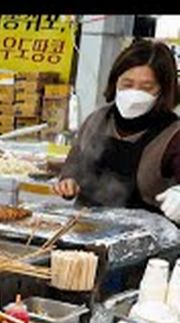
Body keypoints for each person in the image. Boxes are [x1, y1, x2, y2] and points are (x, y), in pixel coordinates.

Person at [55, 39, 180, 222]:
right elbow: (74, 165)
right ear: (115, 82)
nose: (135, 93)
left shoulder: (173, 136)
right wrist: (68, 181)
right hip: (85, 230)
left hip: (144, 241)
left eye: (147, 88)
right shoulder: (97, 120)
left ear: (163, 91)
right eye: (127, 84)